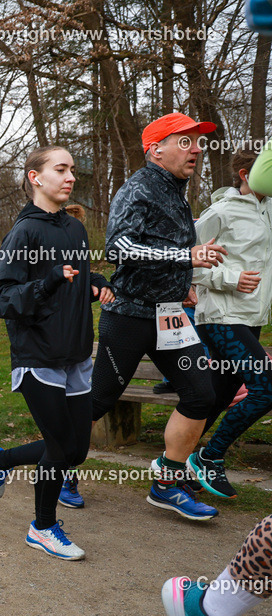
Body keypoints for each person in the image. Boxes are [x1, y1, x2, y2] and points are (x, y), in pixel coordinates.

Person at [90, 112, 227, 521]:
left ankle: (166, 483)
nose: (197, 149)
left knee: (202, 394)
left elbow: (159, 246)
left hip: (170, 315)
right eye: (185, 142)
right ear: (156, 150)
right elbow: (120, 247)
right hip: (130, 315)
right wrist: (184, 256)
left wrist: (181, 280)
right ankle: (58, 465)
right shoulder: (137, 189)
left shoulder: (176, 189)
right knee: (99, 400)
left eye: (197, 142)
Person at [0, 145, 113, 561]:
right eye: (60, 169)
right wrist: (49, 283)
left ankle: (1, 458)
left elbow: (77, 278)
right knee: (59, 448)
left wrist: (96, 284)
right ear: (36, 177)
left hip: (75, 354)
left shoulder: (74, 228)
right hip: (37, 355)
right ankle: (42, 527)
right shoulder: (24, 231)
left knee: (75, 450)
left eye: (72, 169)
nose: (70, 176)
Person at [189, 149, 272, 499]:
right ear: (243, 174)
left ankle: (172, 463)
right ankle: (210, 456)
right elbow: (188, 265)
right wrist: (232, 279)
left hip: (251, 318)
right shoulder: (219, 212)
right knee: (266, 389)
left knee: (217, 397)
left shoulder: (268, 211)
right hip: (221, 316)